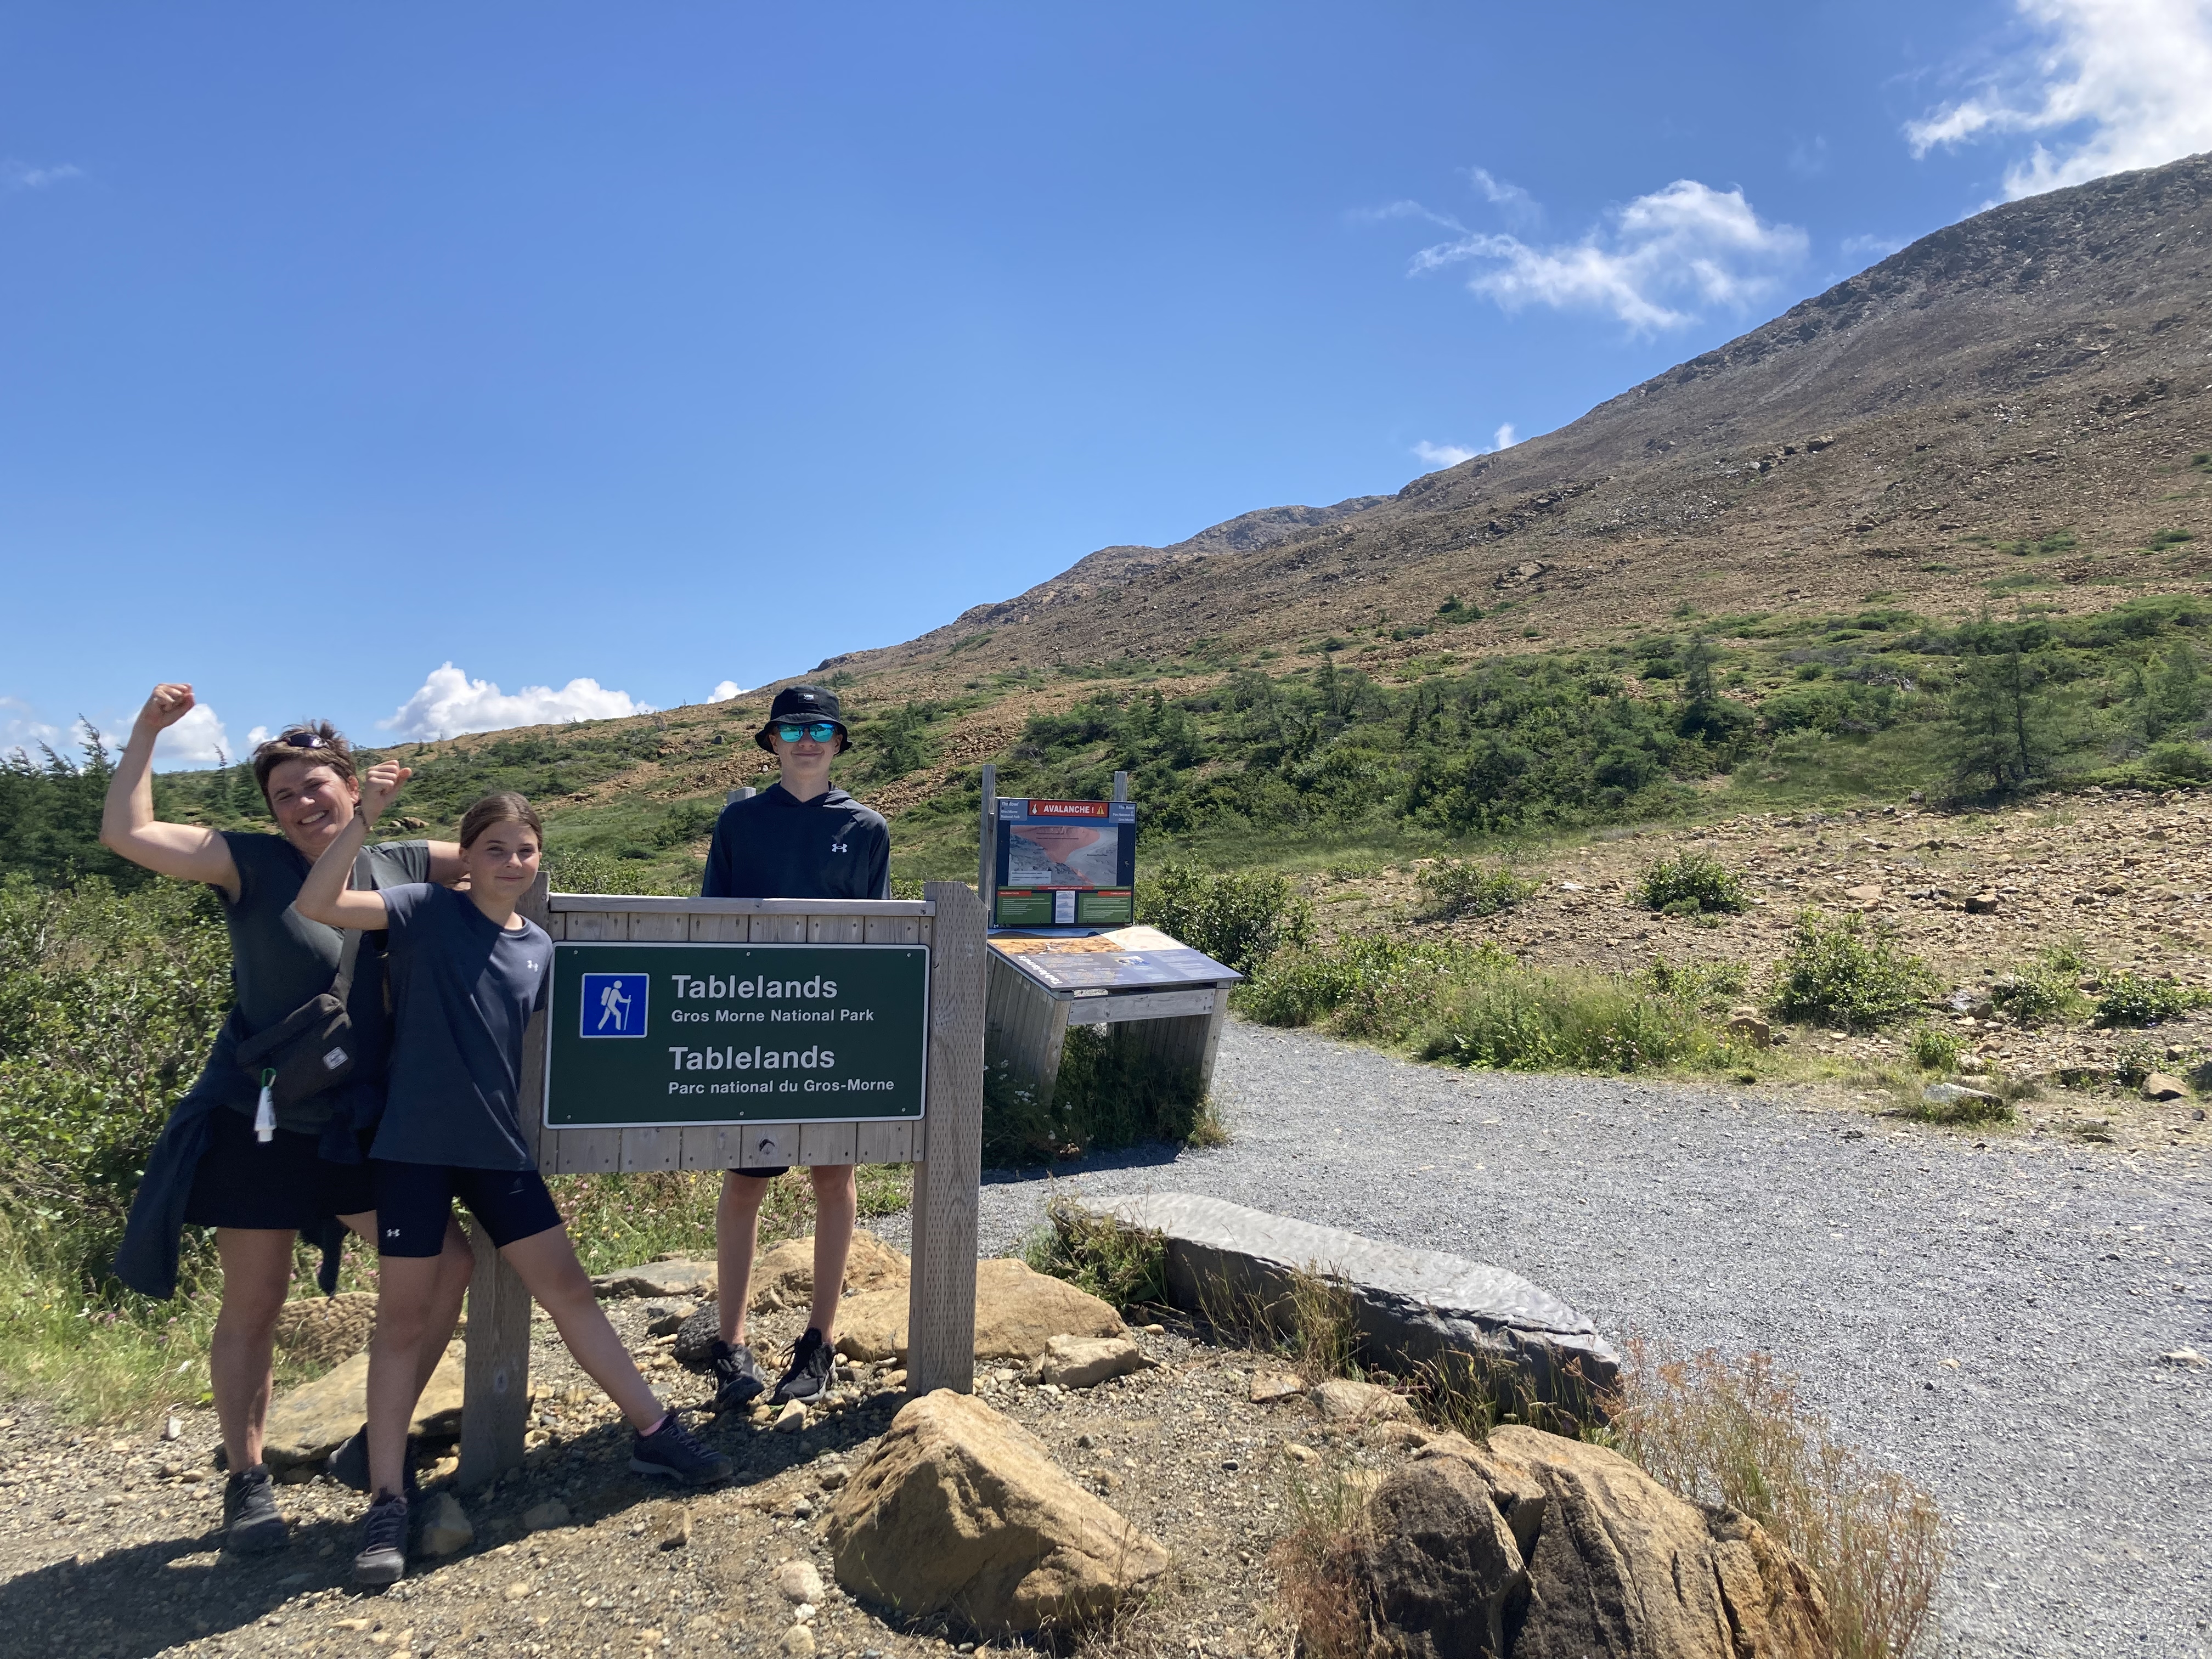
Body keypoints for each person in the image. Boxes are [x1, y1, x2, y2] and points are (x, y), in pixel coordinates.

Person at [297, 774, 732, 1587]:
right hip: (414, 1149)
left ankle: (654, 1430)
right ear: (465, 856)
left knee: (570, 1290)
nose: (510, 860)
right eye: (492, 848)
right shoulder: (425, 911)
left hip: (498, 1149)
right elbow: (322, 904)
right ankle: (387, 1500)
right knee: (402, 1320)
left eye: (523, 850)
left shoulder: (539, 947)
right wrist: (364, 820)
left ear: (538, 861)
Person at [105, 686, 476, 1557]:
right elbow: (126, 833)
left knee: (447, 1266)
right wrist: (146, 734)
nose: (304, 804)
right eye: (286, 795)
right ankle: (247, 1477)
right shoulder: (246, 862)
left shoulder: (404, 863)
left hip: (360, 1125)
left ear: (353, 785)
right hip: (260, 1120)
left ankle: (371, 1446)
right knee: (255, 1299)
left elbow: (510, 861)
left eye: (319, 787)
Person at [699, 685, 889, 1413]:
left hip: (836, 1030)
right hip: (757, 1030)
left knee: (834, 1179)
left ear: (838, 742)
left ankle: (819, 1341)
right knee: (746, 1182)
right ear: (772, 742)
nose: (806, 739)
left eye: (820, 727)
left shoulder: (867, 829)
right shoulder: (739, 824)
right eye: (792, 728)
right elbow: (713, 925)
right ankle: (732, 1345)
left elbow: (880, 940)